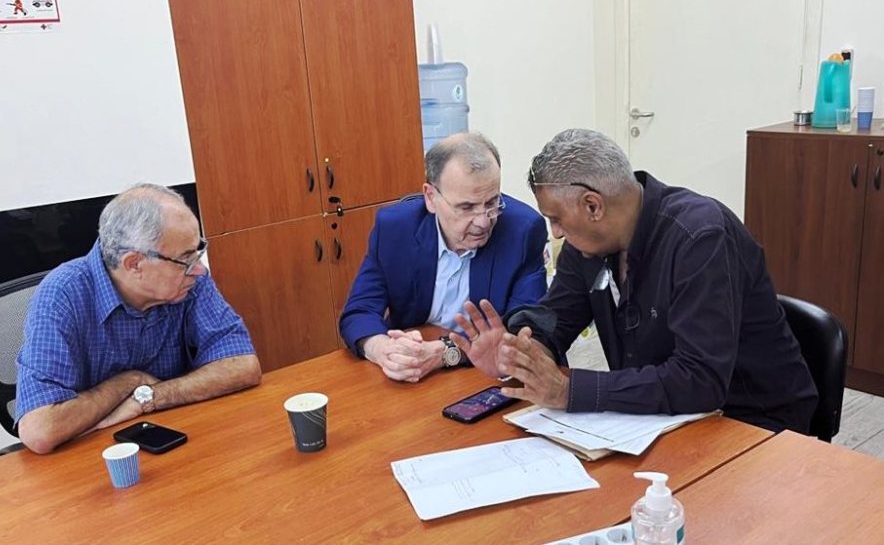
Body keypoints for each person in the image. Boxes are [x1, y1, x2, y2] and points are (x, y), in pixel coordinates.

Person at [456, 128, 818, 434]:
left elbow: (701, 380)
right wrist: (518, 351)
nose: (556, 233)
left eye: (557, 219)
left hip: (753, 422)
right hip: (657, 419)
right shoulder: (589, 246)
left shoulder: (699, 237)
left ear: (593, 206)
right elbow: (555, 318)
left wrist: (570, 390)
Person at [15, 184, 261, 454]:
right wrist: (130, 382)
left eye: (197, 252)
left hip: (175, 437)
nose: (199, 269)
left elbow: (242, 365)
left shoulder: (190, 282)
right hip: (94, 455)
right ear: (134, 264)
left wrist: (149, 397)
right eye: (185, 259)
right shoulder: (63, 294)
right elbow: (41, 429)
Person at [340, 132, 548, 383]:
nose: (483, 222)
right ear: (431, 197)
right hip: (413, 373)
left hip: (484, 376)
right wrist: (383, 349)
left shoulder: (523, 231)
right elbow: (360, 310)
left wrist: (445, 353)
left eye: (492, 202)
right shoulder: (395, 228)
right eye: (466, 207)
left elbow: (522, 331)